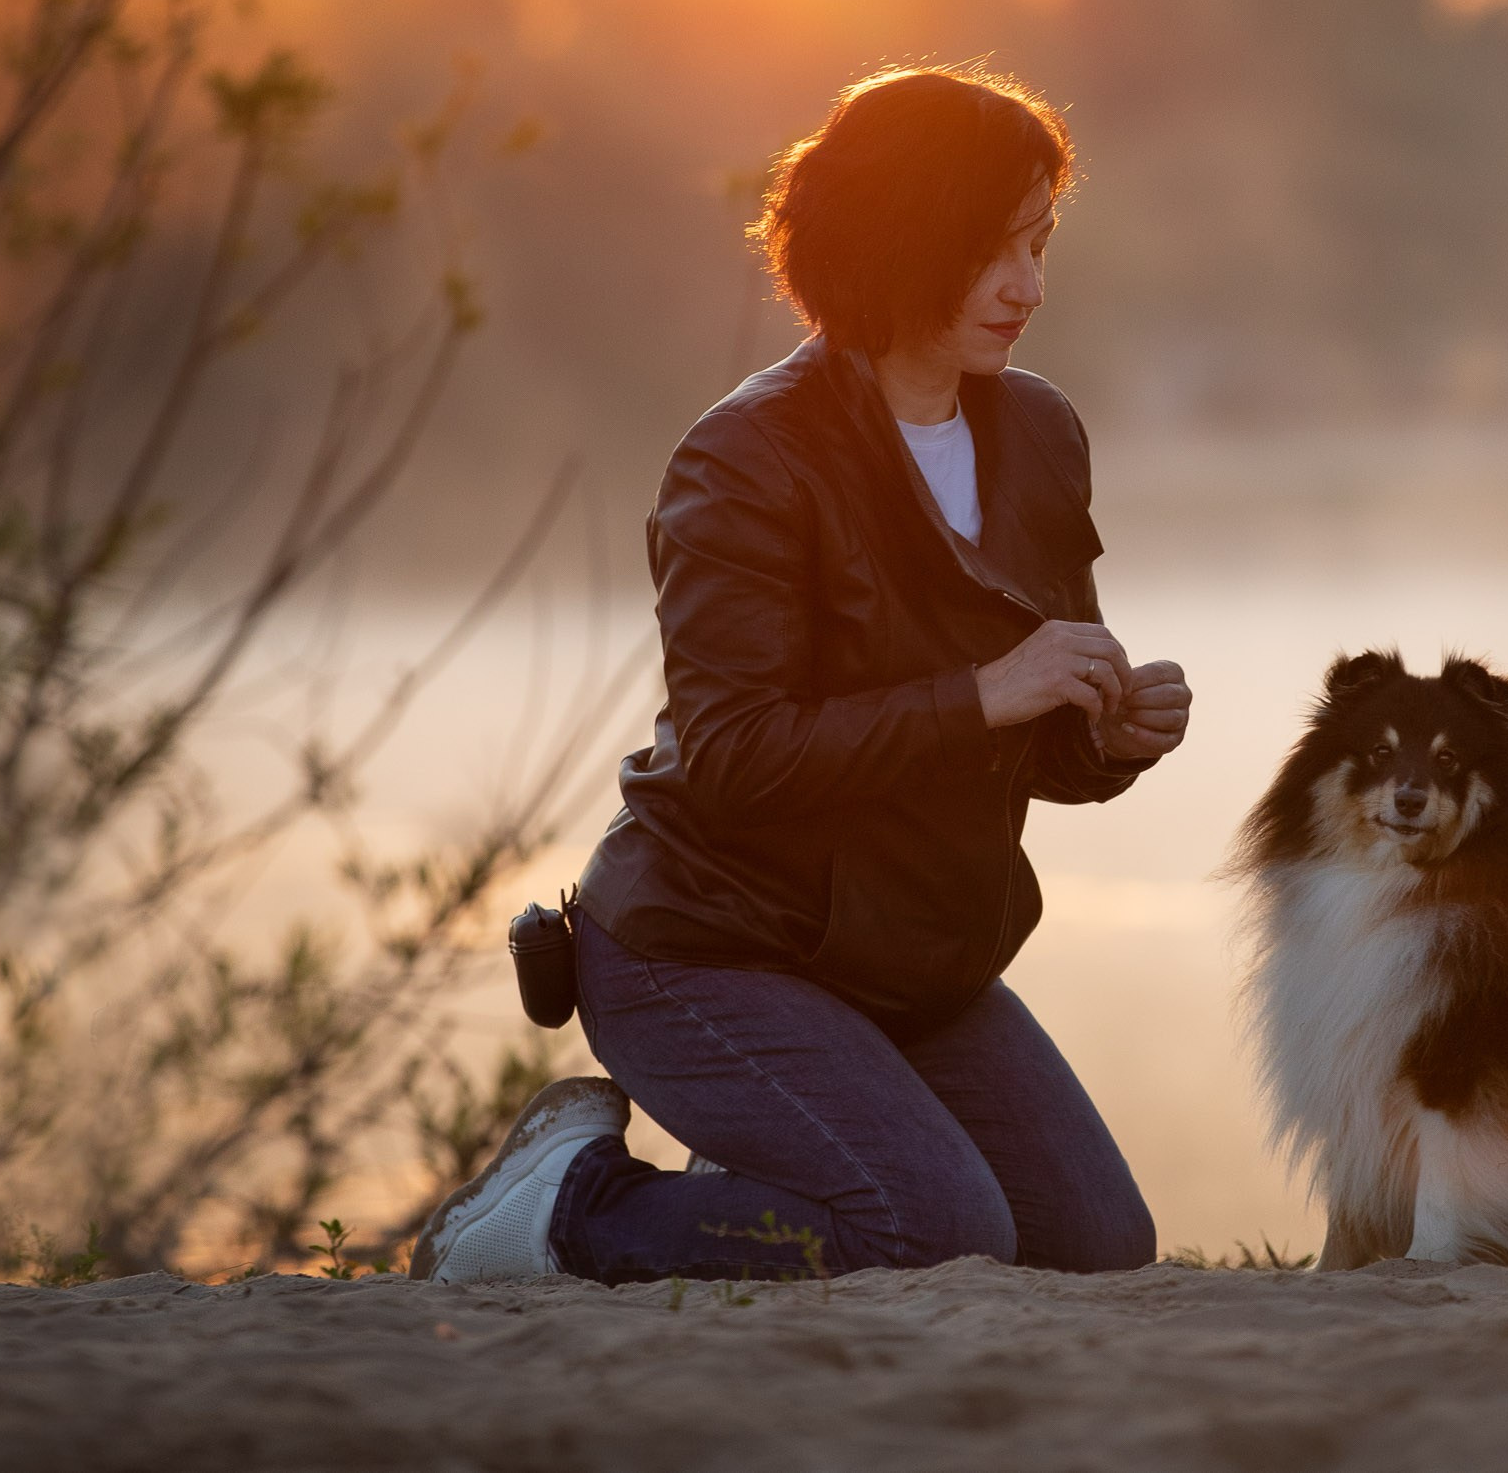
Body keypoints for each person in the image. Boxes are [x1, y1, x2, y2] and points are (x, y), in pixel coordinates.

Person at [410, 66, 1190, 1285]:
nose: (1027, 288)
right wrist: (988, 693)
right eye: (992, 252)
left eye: (1038, 246)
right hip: (706, 947)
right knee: (932, 1232)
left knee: (1096, 1247)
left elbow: (1035, 735)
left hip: (912, 955)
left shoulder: (1038, 433)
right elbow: (732, 760)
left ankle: (785, 1154)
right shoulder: (744, 459)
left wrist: (1109, 733)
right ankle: (567, 1203)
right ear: (896, 243)